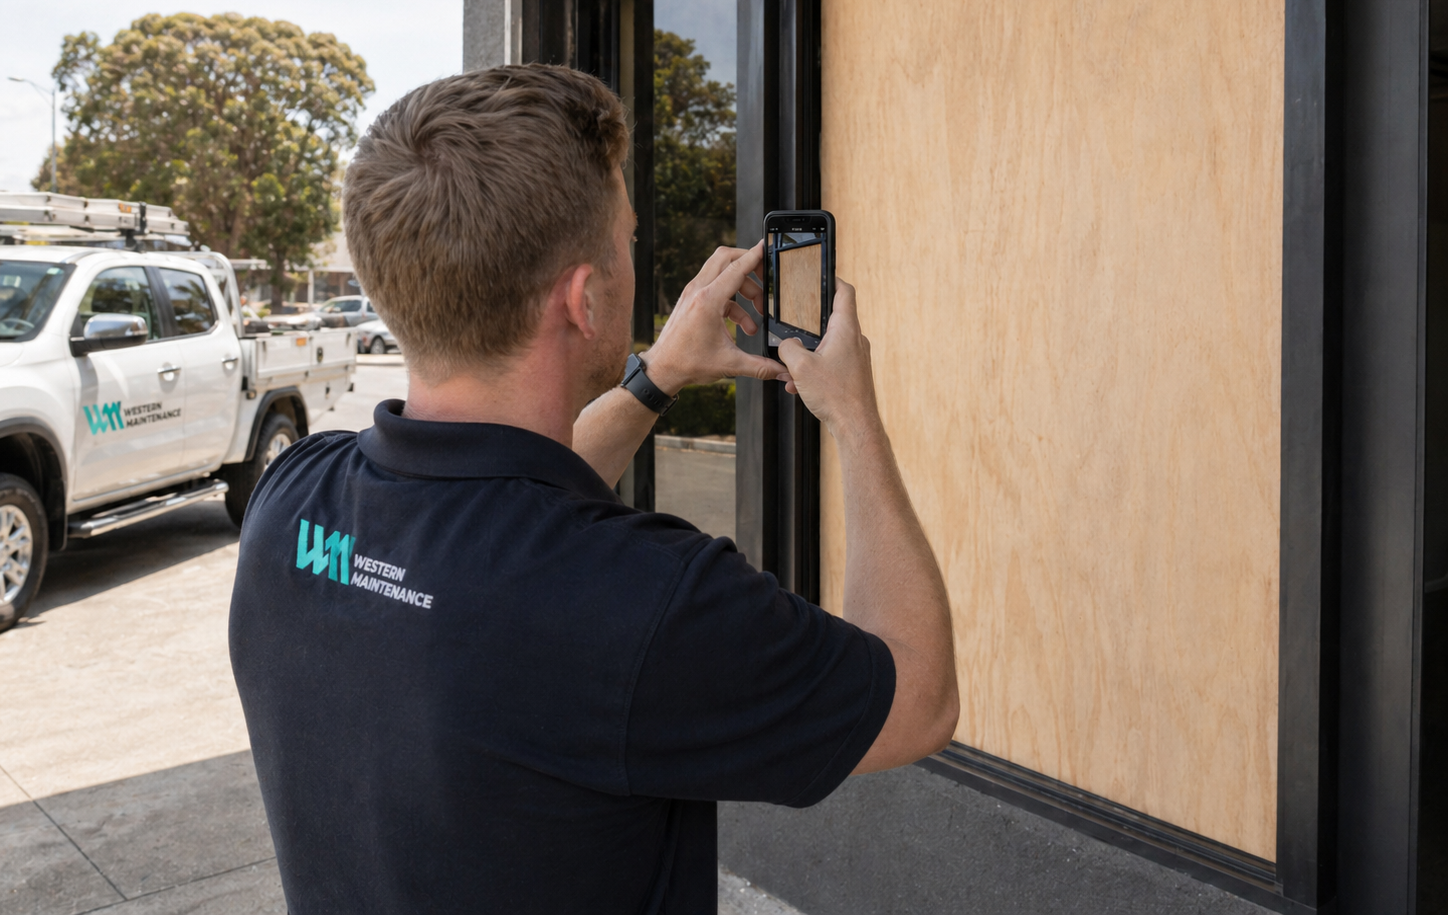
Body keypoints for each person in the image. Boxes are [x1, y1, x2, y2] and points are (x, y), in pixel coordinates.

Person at [228, 64, 956, 914]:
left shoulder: (289, 503)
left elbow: (500, 529)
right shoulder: (646, 602)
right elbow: (916, 699)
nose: (635, 260)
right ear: (582, 297)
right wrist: (856, 419)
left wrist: (659, 378)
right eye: (629, 240)